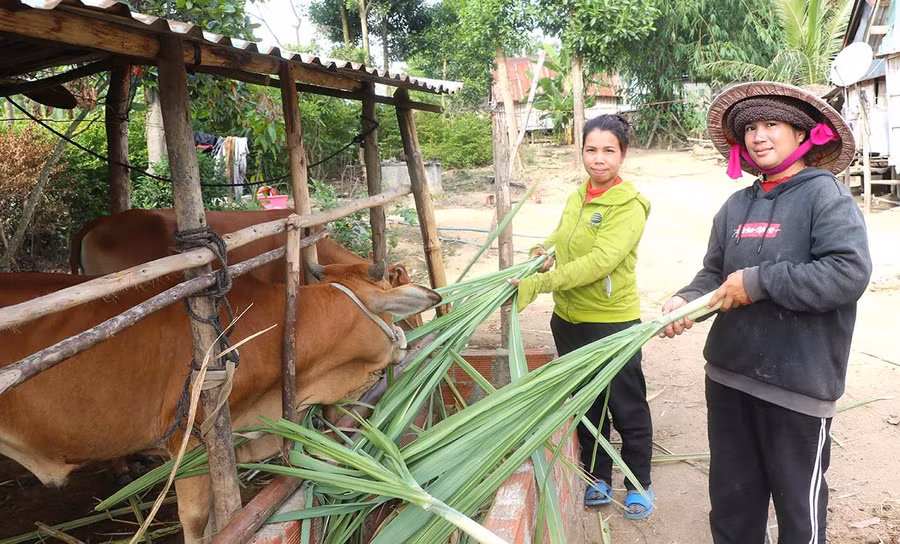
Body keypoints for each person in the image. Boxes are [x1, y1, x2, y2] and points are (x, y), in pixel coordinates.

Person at [660, 82, 872, 543]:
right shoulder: (736, 206)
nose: (759, 136)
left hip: (796, 388)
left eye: (772, 124)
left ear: (802, 135)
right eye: (750, 128)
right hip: (729, 379)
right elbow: (714, 275)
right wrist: (686, 303)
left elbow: (847, 273)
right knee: (734, 507)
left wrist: (758, 283)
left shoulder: (824, 196)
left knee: (799, 514)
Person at [511, 114, 654, 519]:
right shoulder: (579, 196)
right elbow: (563, 237)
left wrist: (540, 284)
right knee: (588, 402)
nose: (599, 159)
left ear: (623, 154)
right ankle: (598, 477)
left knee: (626, 404)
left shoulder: (629, 206)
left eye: (609, 150)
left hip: (611, 321)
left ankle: (639, 483)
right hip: (569, 320)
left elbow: (600, 261)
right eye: (591, 150)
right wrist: (544, 250)